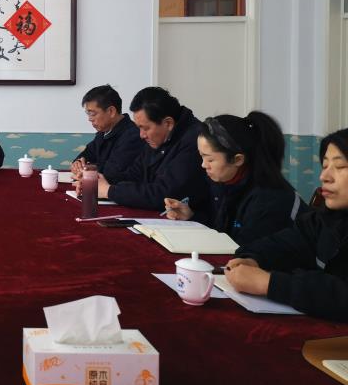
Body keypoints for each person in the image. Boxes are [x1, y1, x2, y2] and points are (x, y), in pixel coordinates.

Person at [224, 128, 348, 321]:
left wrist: (269, 283)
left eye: (340, 167)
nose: (324, 176)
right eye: (325, 166)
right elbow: (285, 244)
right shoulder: (326, 219)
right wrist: (252, 259)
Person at [163, 111, 304, 245]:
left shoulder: (269, 198)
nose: (203, 165)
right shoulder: (228, 182)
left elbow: (248, 251)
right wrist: (191, 217)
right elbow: (223, 232)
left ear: (237, 160)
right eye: (201, 156)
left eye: (210, 159)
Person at [98, 87, 207, 211]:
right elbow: (134, 174)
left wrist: (109, 191)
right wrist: (99, 181)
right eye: (139, 128)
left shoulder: (195, 141)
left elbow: (165, 195)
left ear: (168, 123)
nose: (141, 135)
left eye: (145, 128)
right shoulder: (158, 138)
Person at [70, 84, 143, 183]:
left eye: (92, 114)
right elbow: (87, 154)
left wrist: (86, 169)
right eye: (88, 114)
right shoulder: (103, 132)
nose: (90, 119)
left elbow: (111, 173)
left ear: (111, 111)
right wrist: (78, 162)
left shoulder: (133, 135)